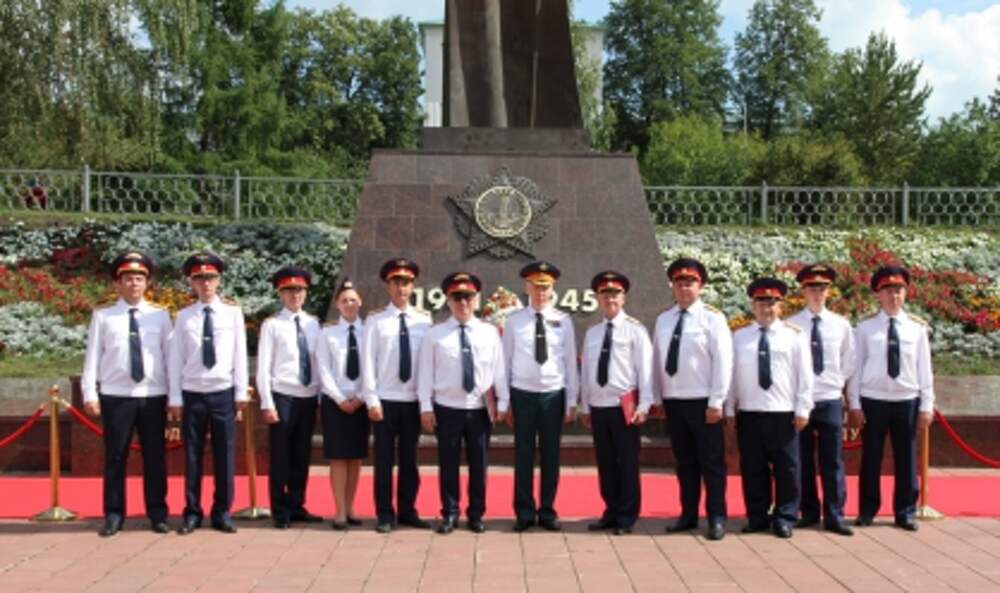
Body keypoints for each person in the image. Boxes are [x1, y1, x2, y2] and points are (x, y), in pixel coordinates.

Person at [81, 251, 172, 537]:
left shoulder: (160, 316)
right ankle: (113, 514)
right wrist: (89, 393)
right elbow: (93, 357)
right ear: (118, 283)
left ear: (147, 283)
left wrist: (174, 397)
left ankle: (157, 513)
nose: (134, 284)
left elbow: (170, 358)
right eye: (128, 279)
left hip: (152, 394)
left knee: (155, 457)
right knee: (115, 457)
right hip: (116, 395)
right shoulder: (103, 316)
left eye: (139, 279)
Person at [417, 272, 509, 534]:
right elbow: (425, 372)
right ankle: (450, 513)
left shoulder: (489, 333)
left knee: (479, 465)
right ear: (448, 300)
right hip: (447, 408)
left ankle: (476, 514)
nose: (463, 302)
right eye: (457, 297)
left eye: (468, 297)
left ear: (476, 299)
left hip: (479, 408)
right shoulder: (435, 334)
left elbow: (499, 370)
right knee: (448, 463)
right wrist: (425, 405)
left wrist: (503, 402)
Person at [726, 277, 813, 539]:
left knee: (787, 469)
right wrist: (729, 408)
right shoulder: (739, 337)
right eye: (761, 303)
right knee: (753, 468)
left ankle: (785, 517)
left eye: (772, 303)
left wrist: (803, 408)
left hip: (783, 412)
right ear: (753, 305)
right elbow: (731, 376)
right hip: (750, 411)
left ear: (780, 305)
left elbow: (805, 375)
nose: (767, 308)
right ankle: (757, 517)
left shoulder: (794, 336)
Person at [168, 252, 249, 535]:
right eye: (199, 278)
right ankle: (192, 512)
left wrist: (241, 392)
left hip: (222, 391)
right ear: (192, 282)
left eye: (211, 278)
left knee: (225, 455)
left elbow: (240, 354)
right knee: (192, 456)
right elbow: (176, 358)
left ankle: (222, 512)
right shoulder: (184, 316)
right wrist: (175, 397)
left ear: (219, 280)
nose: (206, 283)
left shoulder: (232, 313)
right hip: (192, 392)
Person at [849, 266, 934, 532]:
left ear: (906, 293)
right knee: (871, 458)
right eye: (888, 291)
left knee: (906, 458)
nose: (893, 296)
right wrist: (854, 403)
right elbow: (856, 368)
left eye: (898, 290)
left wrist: (926, 405)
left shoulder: (916, 329)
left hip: (906, 399)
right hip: (873, 399)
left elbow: (925, 369)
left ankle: (905, 511)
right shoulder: (865, 328)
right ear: (878, 295)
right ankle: (867, 510)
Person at [653, 258, 732, 540]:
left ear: (700, 286)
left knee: (712, 464)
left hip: (703, 402)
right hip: (674, 401)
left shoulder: (713, 318)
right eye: (679, 283)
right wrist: (658, 397)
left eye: (690, 283)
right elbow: (657, 361)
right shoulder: (664, 319)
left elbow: (723, 362)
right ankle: (688, 515)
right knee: (685, 463)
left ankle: (716, 517)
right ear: (673, 286)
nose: (684, 288)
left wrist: (716, 401)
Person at [503, 261, 579, 532]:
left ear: (552, 289)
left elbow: (570, 362)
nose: (540, 292)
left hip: (552, 394)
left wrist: (572, 401)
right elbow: (505, 361)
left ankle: (547, 511)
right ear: (527, 288)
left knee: (551, 455)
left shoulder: (564, 321)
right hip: (522, 394)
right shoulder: (514, 321)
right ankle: (524, 513)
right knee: (523, 455)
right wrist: (505, 401)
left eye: (545, 287)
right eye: (536, 286)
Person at [361, 258, 432, 534]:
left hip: (412, 400)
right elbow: (368, 362)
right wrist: (372, 399)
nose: (402, 288)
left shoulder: (424, 320)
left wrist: (425, 402)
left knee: (409, 460)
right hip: (385, 400)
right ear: (387, 286)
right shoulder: (375, 320)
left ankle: (407, 510)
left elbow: (427, 364)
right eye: (396, 283)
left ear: (413, 286)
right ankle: (384, 513)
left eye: (406, 283)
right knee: (383, 460)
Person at [580, 271, 653, 536]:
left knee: (627, 462)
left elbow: (645, 370)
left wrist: (645, 405)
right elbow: (587, 372)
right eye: (605, 294)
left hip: (625, 407)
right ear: (598, 298)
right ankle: (610, 510)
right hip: (599, 406)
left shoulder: (635, 330)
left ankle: (626, 516)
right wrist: (585, 406)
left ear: (624, 298)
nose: (610, 298)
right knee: (606, 462)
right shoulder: (592, 333)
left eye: (615, 294)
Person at [787, 264, 856, 536]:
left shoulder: (841, 325)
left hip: (829, 399)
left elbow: (850, 360)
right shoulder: (792, 326)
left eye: (822, 288)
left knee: (833, 460)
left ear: (829, 291)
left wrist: (836, 381)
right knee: (802, 458)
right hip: (801, 401)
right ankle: (809, 511)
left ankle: (835, 514)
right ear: (803, 291)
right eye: (812, 288)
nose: (817, 293)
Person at [256, 266, 322, 529]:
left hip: (308, 396)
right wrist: (267, 402)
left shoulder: (313, 323)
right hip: (283, 395)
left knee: (301, 454)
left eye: (300, 290)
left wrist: (319, 396)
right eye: (289, 290)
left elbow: (318, 363)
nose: (295, 295)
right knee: (281, 455)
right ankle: (279, 509)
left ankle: (296, 505)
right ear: (281, 294)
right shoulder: (272, 324)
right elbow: (263, 366)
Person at [316, 278, 369, 530]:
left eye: (353, 300)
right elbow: (323, 369)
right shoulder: (327, 333)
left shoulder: (369, 331)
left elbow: (374, 367)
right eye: (344, 300)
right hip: (335, 403)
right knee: (338, 458)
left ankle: (351, 507)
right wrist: (339, 399)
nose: (349, 304)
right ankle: (339, 510)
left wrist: (360, 397)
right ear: (337, 304)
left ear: (360, 302)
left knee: (355, 458)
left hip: (361, 402)